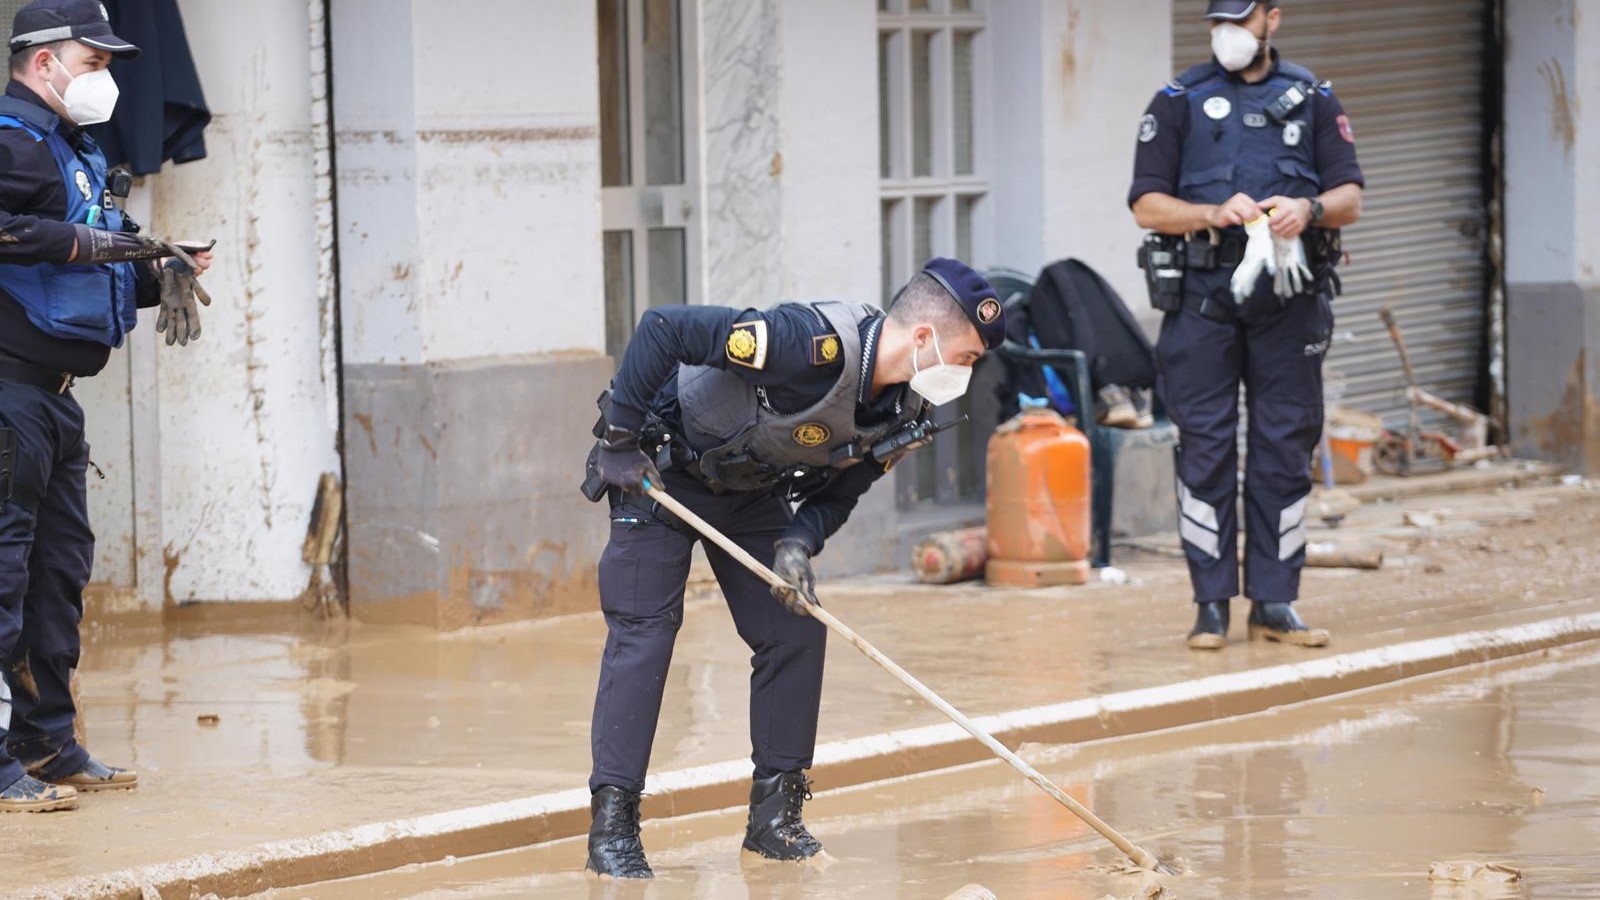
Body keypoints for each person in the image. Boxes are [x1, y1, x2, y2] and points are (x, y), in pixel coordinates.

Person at [581, 258, 1003, 878]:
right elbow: (662, 327)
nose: (966, 373)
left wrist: (798, 543)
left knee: (796, 626)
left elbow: (842, 493)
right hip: (662, 470)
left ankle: (775, 820)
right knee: (645, 636)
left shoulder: (904, 410)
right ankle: (613, 830)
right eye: (965, 357)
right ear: (924, 338)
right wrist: (620, 442)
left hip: (750, 492)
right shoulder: (804, 345)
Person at [0, 0, 215, 813]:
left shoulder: (73, 149)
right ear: (45, 60)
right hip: (8, 395)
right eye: (95, 63)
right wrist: (101, 244)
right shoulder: (10, 141)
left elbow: (91, 259)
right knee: (3, 577)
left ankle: (48, 744)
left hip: (56, 404)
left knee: (57, 578)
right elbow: (36, 237)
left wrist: (162, 270)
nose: (107, 79)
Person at [1127, 0, 1363, 651]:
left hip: (1289, 308)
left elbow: (1351, 198)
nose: (1227, 34)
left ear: (1272, 19)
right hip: (1202, 306)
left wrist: (1307, 208)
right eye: (1217, 22)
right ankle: (1210, 606)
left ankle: (1275, 603)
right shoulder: (1178, 99)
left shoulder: (1312, 96)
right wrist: (1209, 210)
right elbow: (1147, 206)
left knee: (1284, 449)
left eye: (1240, 19)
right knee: (1203, 451)